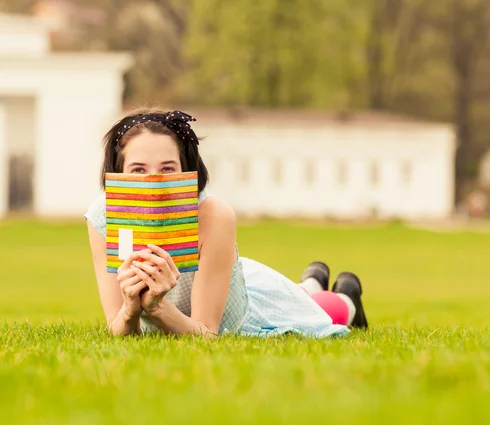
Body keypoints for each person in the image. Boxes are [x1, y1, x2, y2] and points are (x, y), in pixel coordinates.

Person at [85, 108, 368, 338]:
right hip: (225, 282)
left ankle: (347, 297)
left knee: (321, 313)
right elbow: (118, 328)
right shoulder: (103, 218)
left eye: (168, 168)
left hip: (239, 311)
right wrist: (131, 311)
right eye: (138, 170)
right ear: (118, 173)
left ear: (187, 169)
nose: (155, 182)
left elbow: (208, 334)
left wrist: (158, 309)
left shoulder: (214, 215)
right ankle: (312, 281)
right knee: (305, 293)